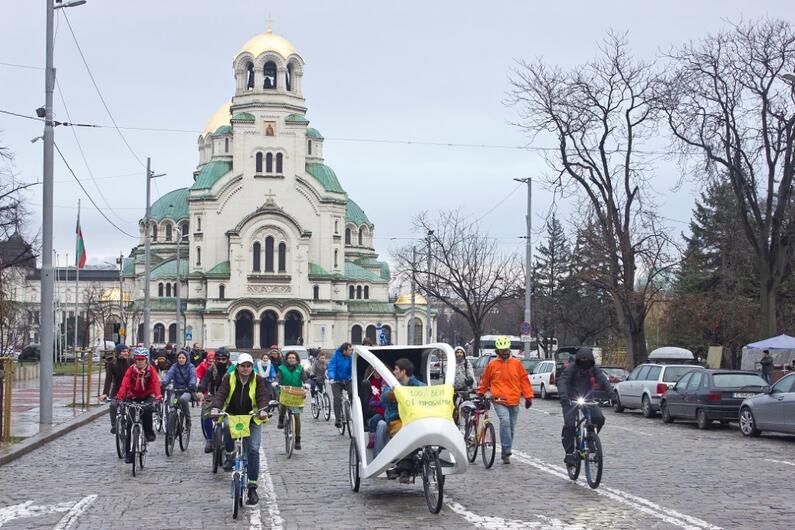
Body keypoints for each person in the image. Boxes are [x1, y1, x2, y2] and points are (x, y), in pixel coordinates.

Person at [210, 353, 273, 506]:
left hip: (252, 417)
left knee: (252, 450)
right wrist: (215, 407)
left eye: (248, 366)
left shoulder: (258, 379)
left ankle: (252, 487)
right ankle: (230, 454)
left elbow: (262, 396)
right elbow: (221, 394)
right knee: (225, 425)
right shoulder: (229, 378)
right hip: (232, 415)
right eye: (242, 366)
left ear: (252, 367)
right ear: (237, 367)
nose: (245, 369)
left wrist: (263, 410)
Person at [477, 336, 533, 464]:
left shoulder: (517, 363)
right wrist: (480, 393)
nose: (505, 352)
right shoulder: (492, 364)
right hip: (499, 400)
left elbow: (524, 380)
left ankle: (505, 453)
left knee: (511, 428)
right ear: (498, 351)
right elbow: (485, 381)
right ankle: (507, 450)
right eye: (502, 350)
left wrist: (528, 396)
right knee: (505, 422)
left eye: (507, 349)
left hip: (514, 400)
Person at [557, 347, 611, 467]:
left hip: (587, 398)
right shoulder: (571, 368)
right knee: (570, 425)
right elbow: (563, 382)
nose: (584, 362)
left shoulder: (593, 369)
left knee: (599, 418)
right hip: (570, 399)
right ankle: (569, 453)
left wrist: (612, 395)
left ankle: (590, 438)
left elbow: (603, 381)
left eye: (587, 359)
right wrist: (564, 397)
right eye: (582, 359)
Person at [375, 358, 426, 483]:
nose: (394, 372)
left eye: (396, 369)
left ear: (403, 371)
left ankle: (405, 468)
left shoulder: (418, 385)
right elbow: (383, 398)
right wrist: (394, 394)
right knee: (404, 433)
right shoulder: (392, 384)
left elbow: (427, 393)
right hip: (396, 419)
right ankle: (404, 469)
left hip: (414, 419)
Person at [115, 349, 162, 463]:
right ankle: (129, 453)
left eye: (142, 359)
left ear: (146, 359)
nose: (140, 362)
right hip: (133, 396)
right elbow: (124, 384)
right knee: (130, 424)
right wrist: (120, 397)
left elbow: (155, 383)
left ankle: (148, 432)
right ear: (135, 360)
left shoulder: (151, 370)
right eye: (138, 359)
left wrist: (158, 397)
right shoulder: (131, 370)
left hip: (147, 395)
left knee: (147, 409)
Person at [197, 347, 231, 453]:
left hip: (229, 397)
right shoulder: (212, 368)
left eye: (223, 359)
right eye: (219, 359)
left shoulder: (233, 369)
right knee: (206, 414)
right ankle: (210, 439)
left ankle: (229, 440)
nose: (221, 361)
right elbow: (205, 379)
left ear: (227, 359)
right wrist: (200, 391)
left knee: (230, 419)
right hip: (214, 395)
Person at [276, 350, 308, 449]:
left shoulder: (300, 368)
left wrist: (306, 383)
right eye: (289, 358)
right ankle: (281, 419)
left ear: (296, 359)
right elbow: (278, 377)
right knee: (283, 404)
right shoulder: (281, 368)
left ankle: (297, 439)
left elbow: (304, 378)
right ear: (286, 359)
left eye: (293, 358)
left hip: (296, 392)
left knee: (297, 417)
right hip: (284, 390)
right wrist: (276, 383)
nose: (291, 359)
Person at [160, 350, 197, 430]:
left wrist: (192, 384)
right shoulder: (174, 366)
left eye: (183, 358)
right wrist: (164, 382)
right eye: (179, 358)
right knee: (172, 405)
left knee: (183, 400)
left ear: (186, 359)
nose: (181, 359)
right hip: (176, 391)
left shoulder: (191, 367)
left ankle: (188, 420)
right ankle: (172, 426)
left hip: (187, 390)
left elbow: (193, 376)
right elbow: (169, 375)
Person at [99, 344, 132, 434]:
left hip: (130, 390)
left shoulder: (131, 362)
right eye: (124, 351)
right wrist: (105, 393)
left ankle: (134, 426)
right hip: (116, 390)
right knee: (113, 405)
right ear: (118, 353)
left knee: (132, 408)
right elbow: (108, 379)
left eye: (127, 351)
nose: (126, 353)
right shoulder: (111, 364)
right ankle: (114, 425)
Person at [327, 342, 353, 428]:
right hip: (336, 381)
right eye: (349, 350)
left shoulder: (351, 358)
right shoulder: (336, 357)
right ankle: (338, 419)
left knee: (353, 394)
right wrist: (331, 378)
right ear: (344, 350)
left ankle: (354, 412)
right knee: (337, 398)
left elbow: (353, 368)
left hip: (347, 380)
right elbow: (332, 368)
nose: (351, 351)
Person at [359, 366, 385, 448]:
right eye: (375, 372)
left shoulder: (386, 384)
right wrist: (379, 410)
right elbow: (366, 408)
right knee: (382, 425)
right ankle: (377, 454)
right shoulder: (368, 384)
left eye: (378, 372)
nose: (377, 374)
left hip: (387, 414)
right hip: (374, 415)